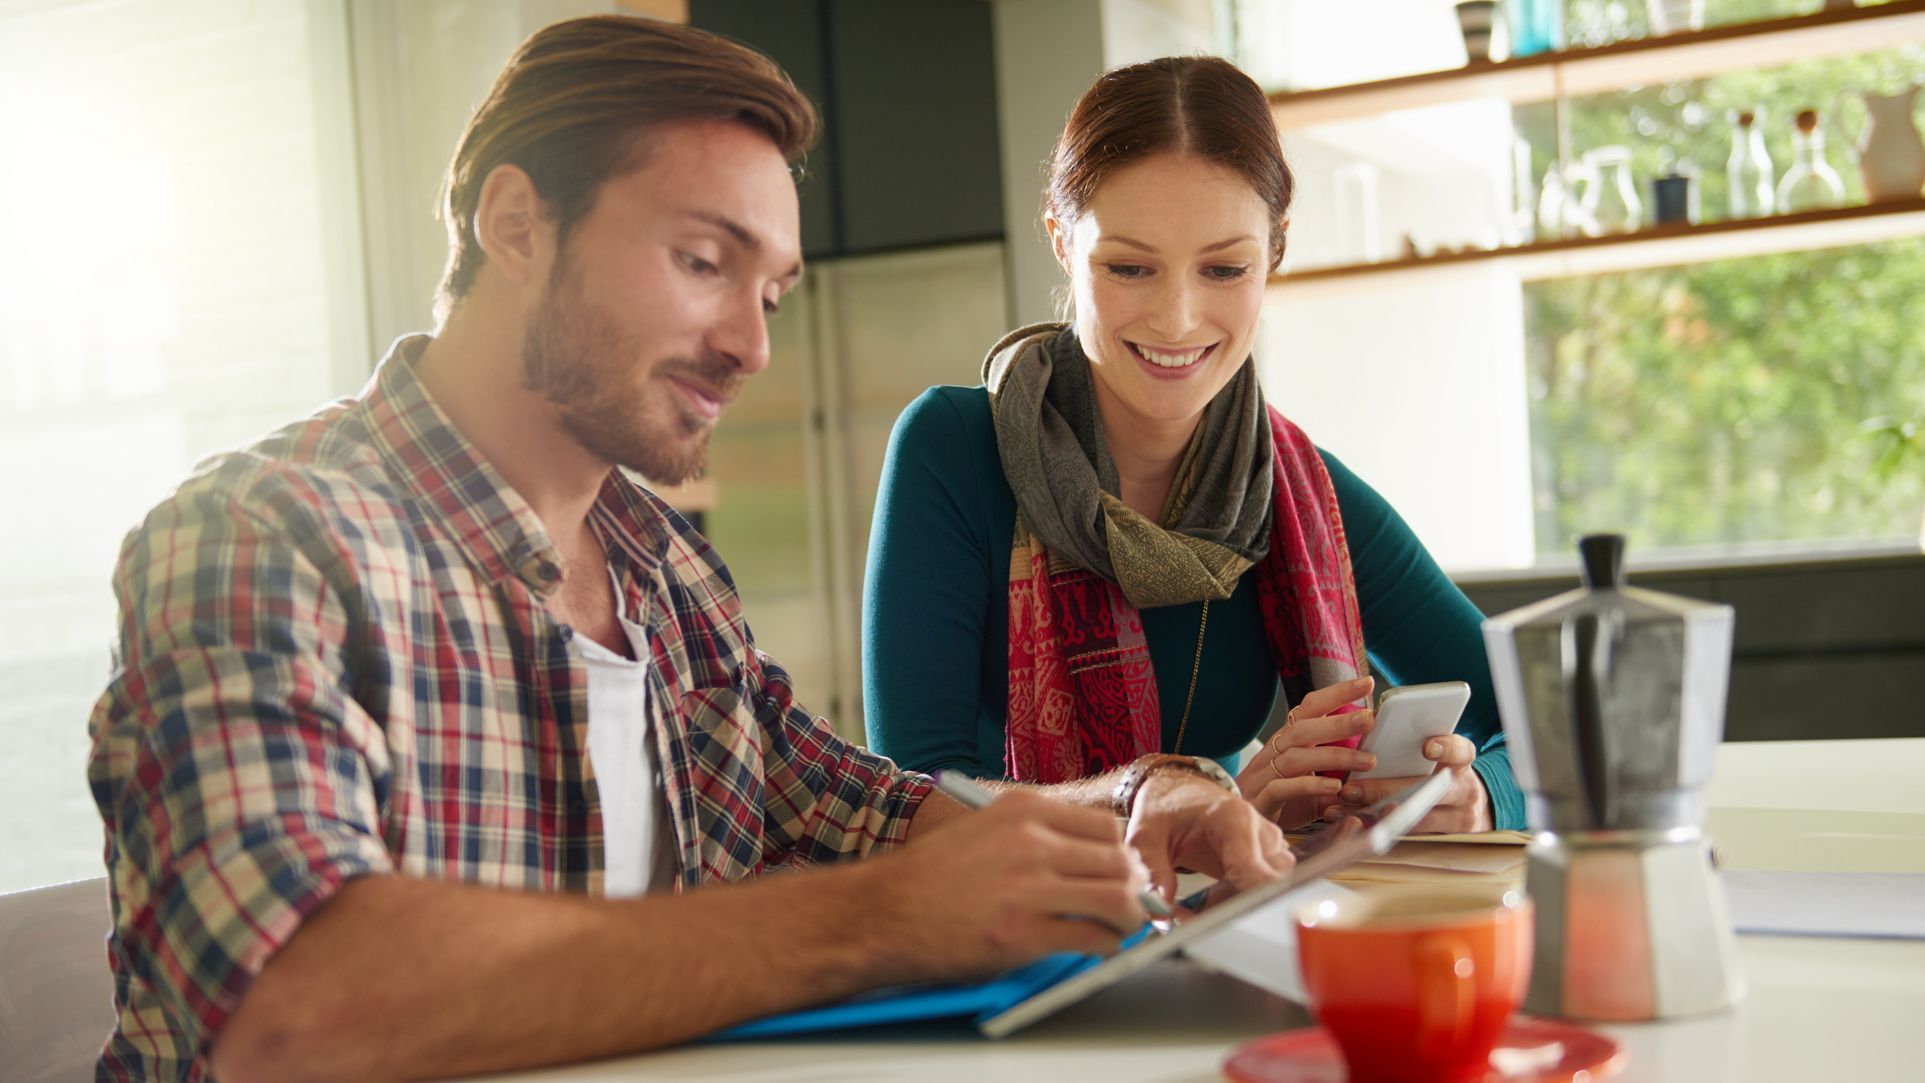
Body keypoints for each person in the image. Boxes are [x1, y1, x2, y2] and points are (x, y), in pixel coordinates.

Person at [85, 20, 1293, 1082]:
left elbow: (863, 809)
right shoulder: (262, 540)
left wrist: (1136, 800)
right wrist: (869, 921)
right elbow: (291, 1007)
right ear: (516, 223)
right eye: (704, 262)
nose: (750, 348)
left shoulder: (664, 573)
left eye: (768, 294)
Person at [862, 56, 1525, 837]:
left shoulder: (1296, 488)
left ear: (1273, 251)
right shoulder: (951, 449)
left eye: (1223, 267)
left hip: (1241, 903)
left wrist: (1477, 794)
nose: (1176, 318)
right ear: (1060, 241)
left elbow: (1539, 725)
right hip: (1015, 916)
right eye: (1129, 266)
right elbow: (912, 806)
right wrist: (1211, 813)